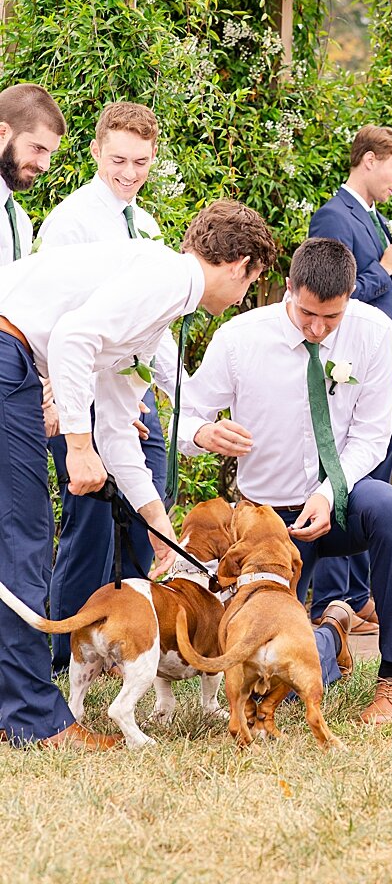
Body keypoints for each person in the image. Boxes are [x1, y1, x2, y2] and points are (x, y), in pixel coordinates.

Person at [0, 198, 276, 748]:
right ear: (240, 264)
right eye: (253, 282)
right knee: (23, 539)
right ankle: (33, 721)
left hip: (14, 354)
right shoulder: (168, 278)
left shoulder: (159, 297)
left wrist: (158, 523)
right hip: (8, 350)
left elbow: (121, 427)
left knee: (16, 538)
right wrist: (79, 447)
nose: (244, 296)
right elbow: (75, 340)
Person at [176, 237, 392, 724]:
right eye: (307, 313)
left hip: (340, 502)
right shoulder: (240, 338)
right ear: (289, 288)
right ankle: (331, 633)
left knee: (390, 509)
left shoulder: (374, 331)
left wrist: (329, 493)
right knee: (275, 682)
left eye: (331, 318)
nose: (317, 327)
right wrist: (203, 431)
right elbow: (181, 418)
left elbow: (374, 435)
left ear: (351, 297)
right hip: (269, 525)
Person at [37, 101, 176, 677]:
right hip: (80, 397)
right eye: (118, 159)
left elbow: (150, 325)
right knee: (89, 528)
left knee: (146, 524)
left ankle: (131, 654)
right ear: (96, 152)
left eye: (141, 161)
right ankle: (55, 664)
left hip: (133, 391)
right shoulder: (69, 223)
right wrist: (97, 409)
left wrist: (150, 398)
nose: (129, 172)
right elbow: (61, 322)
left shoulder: (145, 226)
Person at [306, 124, 392, 635]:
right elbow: (331, 292)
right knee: (342, 472)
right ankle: (334, 596)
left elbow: (376, 294)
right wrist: (384, 268)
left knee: (373, 477)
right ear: (368, 160)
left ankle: (360, 592)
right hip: (344, 373)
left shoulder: (375, 219)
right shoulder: (334, 214)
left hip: (380, 368)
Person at [0, 83, 62, 264]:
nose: (45, 165)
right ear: (2, 132)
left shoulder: (21, 222)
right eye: (37, 148)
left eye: (51, 153)